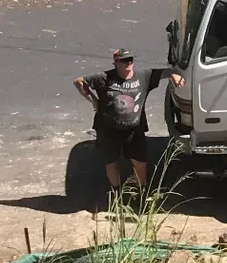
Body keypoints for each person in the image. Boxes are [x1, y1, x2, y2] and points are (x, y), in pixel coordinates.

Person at [75, 49, 183, 202]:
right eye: (124, 61)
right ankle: (117, 194)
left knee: (140, 162)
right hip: (108, 129)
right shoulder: (104, 78)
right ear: (116, 63)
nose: (128, 63)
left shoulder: (143, 76)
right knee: (111, 162)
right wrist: (94, 100)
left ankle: (140, 193)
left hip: (134, 129)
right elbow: (79, 82)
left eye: (130, 60)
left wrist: (174, 75)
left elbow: (167, 71)